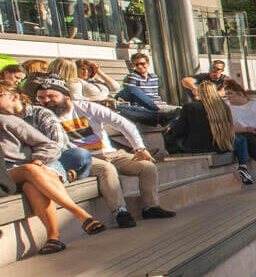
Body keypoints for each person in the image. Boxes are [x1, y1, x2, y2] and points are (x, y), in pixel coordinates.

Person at [34, 76, 175, 226]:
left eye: (52, 96)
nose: (46, 100)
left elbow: (124, 124)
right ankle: (120, 212)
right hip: (83, 158)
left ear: (66, 96)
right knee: (107, 169)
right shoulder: (43, 117)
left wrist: (139, 148)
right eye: (41, 98)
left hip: (109, 153)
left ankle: (151, 207)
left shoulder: (86, 107)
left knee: (147, 167)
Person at [2, 87, 106, 252]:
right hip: (7, 174)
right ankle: (80, 213)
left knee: (32, 185)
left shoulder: (8, 121)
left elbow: (49, 145)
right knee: (31, 170)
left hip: (27, 169)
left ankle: (53, 237)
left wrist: (39, 159)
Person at [115, 52, 179, 125]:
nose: (139, 66)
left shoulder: (154, 77)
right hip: (145, 108)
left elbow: (155, 95)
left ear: (148, 63)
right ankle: (160, 114)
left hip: (160, 105)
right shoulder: (132, 77)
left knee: (183, 111)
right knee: (178, 112)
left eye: (142, 63)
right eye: (136, 64)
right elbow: (132, 98)